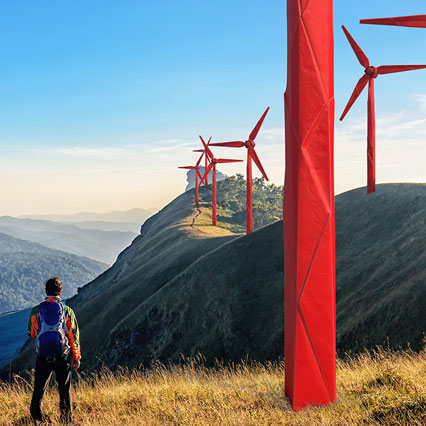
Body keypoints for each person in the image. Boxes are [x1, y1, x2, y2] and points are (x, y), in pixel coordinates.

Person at [27, 276, 81, 424]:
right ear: (60, 291)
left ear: (46, 291)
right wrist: (76, 357)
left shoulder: (36, 310)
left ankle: (36, 420)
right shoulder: (67, 311)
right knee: (64, 390)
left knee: (39, 390)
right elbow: (73, 336)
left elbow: (31, 333)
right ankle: (65, 421)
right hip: (62, 357)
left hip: (43, 356)